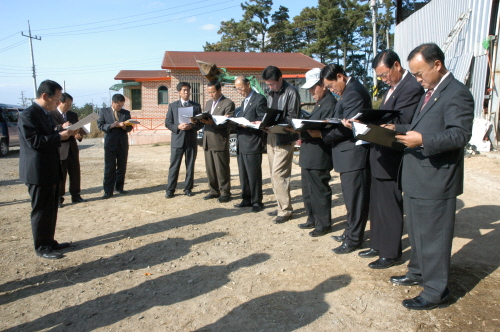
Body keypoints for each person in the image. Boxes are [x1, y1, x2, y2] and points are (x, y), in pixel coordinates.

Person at [387, 43, 474, 310]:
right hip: (417, 176)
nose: (417, 79)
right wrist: (397, 128)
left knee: (434, 236)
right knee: (417, 231)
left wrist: (423, 140)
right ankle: (417, 272)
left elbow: (460, 134)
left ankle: (436, 291)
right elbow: (421, 125)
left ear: (437, 65)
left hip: (436, 179)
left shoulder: (457, 93)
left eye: (420, 73)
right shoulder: (430, 92)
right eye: (413, 74)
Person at [357, 50, 424, 269]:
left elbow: (404, 120)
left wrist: (379, 125)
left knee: (389, 205)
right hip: (380, 152)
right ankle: (378, 244)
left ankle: (390, 252)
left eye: (385, 74)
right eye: (380, 77)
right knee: (378, 204)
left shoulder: (411, 87)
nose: (384, 79)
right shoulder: (392, 88)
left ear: (396, 65)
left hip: (393, 155)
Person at [309, 64, 371, 252]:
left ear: (340, 77)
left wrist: (322, 135)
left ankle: (353, 239)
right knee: (350, 198)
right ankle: (349, 232)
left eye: (330, 85)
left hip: (353, 154)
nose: (330, 89)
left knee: (355, 200)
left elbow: (348, 128)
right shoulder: (349, 91)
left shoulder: (353, 93)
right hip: (347, 155)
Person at [18, 80, 74, 259]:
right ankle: (41, 246)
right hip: (37, 171)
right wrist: (59, 136)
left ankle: (49, 241)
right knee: (41, 210)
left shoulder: (45, 113)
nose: (58, 103)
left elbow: (48, 133)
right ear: (45, 96)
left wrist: (63, 131)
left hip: (50, 168)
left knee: (51, 208)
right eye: (57, 99)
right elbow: (34, 141)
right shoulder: (28, 114)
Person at [295, 68, 337, 237]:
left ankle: (323, 223)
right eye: (310, 89)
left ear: (324, 85)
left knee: (319, 190)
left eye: (314, 88)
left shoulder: (330, 104)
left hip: (319, 154)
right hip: (309, 153)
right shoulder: (320, 103)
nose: (311, 92)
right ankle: (312, 218)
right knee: (308, 189)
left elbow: (325, 128)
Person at [262, 65, 300, 224]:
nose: (270, 87)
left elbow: (293, 117)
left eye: (272, 84)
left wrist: (275, 126)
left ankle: (285, 210)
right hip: (271, 136)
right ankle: (280, 205)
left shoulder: (291, 92)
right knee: (273, 173)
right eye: (268, 84)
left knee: (279, 174)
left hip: (284, 137)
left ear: (280, 78)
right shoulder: (271, 92)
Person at [232, 76, 267, 212]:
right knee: (243, 173)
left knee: (253, 174)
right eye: (237, 89)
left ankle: (257, 201)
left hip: (253, 141)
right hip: (242, 141)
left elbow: (262, 120)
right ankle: (246, 198)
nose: (239, 91)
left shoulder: (259, 99)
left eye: (240, 88)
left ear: (248, 85)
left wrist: (250, 124)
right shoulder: (244, 101)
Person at [198, 80, 235, 202]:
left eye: (213, 92)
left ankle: (225, 192)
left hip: (219, 140)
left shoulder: (228, 103)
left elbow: (227, 122)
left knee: (221, 169)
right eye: (209, 92)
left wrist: (212, 122)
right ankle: (213, 191)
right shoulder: (208, 103)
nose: (211, 94)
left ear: (219, 90)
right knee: (210, 169)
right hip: (208, 140)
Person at [165, 82, 203, 198]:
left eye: (188, 90)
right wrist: (178, 126)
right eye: (184, 90)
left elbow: (201, 123)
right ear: (179, 92)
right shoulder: (173, 106)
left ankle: (188, 188)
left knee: (190, 166)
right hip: (177, 140)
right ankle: (170, 190)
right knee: (174, 166)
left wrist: (192, 126)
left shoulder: (196, 106)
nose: (186, 92)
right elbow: (168, 122)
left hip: (190, 140)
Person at [49, 92, 87, 208]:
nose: (68, 107)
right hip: (60, 148)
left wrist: (79, 135)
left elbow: (78, 130)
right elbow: (50, 130)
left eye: (70, 105)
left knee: (75, 172)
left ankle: (76, 195)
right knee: (61, 173)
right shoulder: (51, 114)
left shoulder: (73, 115)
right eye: (66, 104)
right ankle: (59, 198)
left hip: (72, 147)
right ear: (60, 102)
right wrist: (62, 127)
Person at [97, 93, 133, 199]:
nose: (120, 107)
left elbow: (129, 128)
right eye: (118, 105)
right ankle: (108, 191)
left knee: (122, 167)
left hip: (122, 143)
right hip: (110, 143)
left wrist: (124, 127)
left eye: (122, 105)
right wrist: (112, 125)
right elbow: (100, 125)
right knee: (109, 167)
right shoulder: (103, 111)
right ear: (113, 103)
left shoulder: (126, 113)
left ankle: (120, 187)